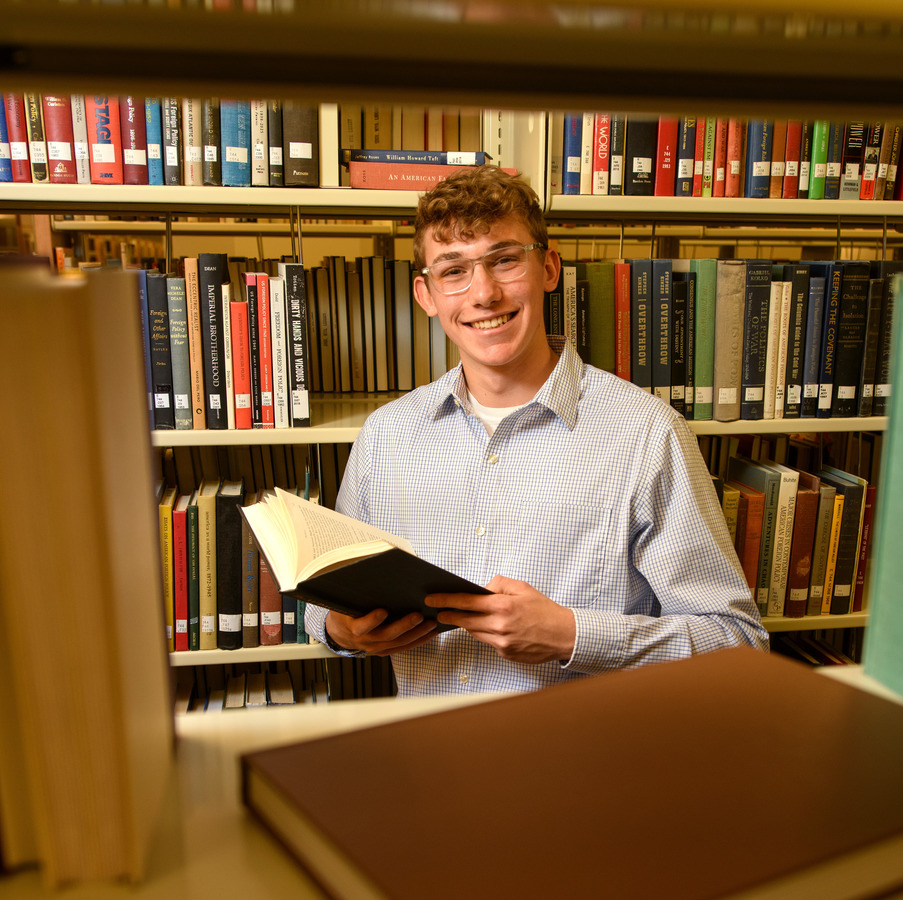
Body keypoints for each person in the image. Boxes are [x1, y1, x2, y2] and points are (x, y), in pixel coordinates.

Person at [305, 165, 766, 696]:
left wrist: (573, 635)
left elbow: (738, 642)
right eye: (454, 271)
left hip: (579, 768)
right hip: (431, 761)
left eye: (503, 261)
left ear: (548, 268)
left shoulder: (647, 435)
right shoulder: (386, 437)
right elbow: (329, 605)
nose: (484, 294)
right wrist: (341, 629)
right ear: (427, 296)